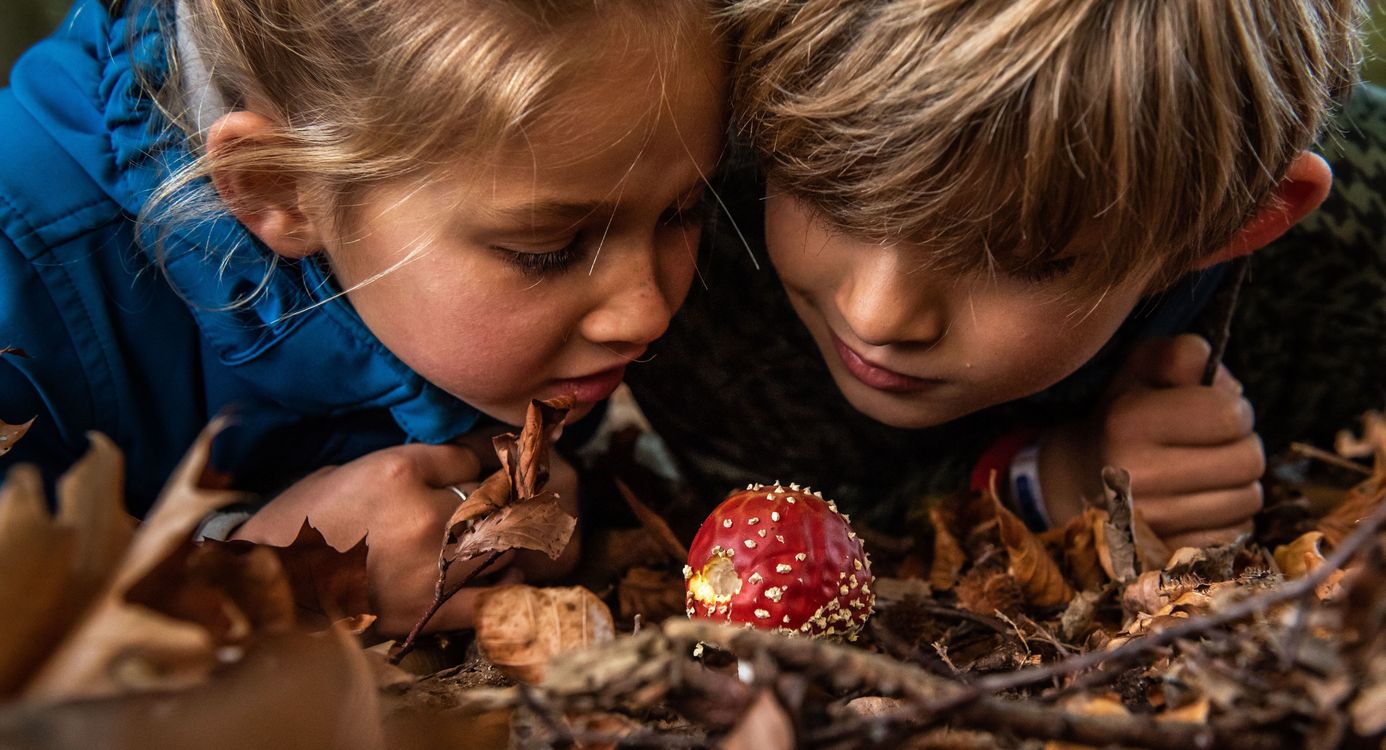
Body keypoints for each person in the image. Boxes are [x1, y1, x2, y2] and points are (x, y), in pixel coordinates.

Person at [0, 0, 727, 634]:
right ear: (278, 188)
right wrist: (256, 576)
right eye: (547, 250)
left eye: (683, 210)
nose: (647, 314)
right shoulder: (23, 274)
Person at [628, 0, 1384, 551]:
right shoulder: (691, 219)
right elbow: (761, 489)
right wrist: (1047, 482)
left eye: (1011, 257)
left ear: (1235, 222)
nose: (876, 314)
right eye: (827, 194)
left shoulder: (1358, 255)